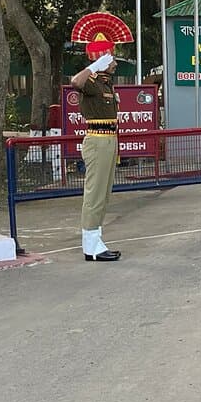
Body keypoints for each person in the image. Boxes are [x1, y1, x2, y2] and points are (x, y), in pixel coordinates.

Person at [69, 13, 133, 262]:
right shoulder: (92, 81)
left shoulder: (106, 84)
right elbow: (75, 81)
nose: (115, 62)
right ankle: (90, 246)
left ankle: (97, 240)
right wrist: (94, 66)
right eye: (111, 58)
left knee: (104, 194)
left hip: (109, 140)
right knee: (94, 194)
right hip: (97, 140)